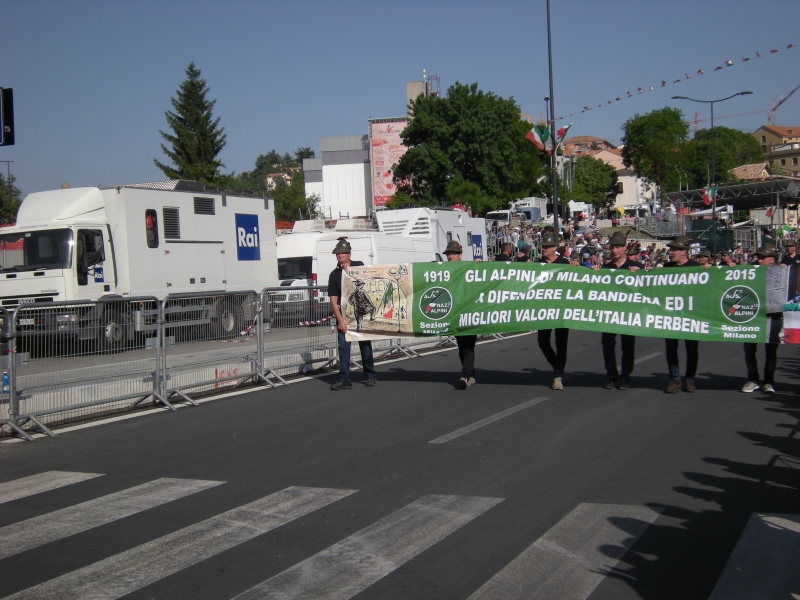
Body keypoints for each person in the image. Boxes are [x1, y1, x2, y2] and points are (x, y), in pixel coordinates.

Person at [595, 232, 642, 390]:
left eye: (618, 247)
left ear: (625, 248)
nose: (615, 250)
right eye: (613, 247)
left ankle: (625, 376)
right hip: (609, 314)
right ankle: (611, 375)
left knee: (627, 346)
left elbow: (648, 287)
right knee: (607, 345)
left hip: (628, 314)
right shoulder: (606, 268)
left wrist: (639, 274)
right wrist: (595, 272)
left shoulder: (635, 266)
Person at [328, 238, 377, 390]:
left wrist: (350, 271)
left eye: (343, 253)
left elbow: (368, 281)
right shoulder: (334, 275)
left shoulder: (359, 266)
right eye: (338, 253)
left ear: (349, 254)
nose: (340, 255)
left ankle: (370, 375)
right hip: (346, 316)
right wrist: (340, 321)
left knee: (365, 345)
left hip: (363, 312)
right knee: (343, 348)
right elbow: (333, 301)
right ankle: (344, 379)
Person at [659, 235, 703, 393]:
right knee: (671, 348)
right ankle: (675, 379)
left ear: (684, 251)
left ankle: (690, 379)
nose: (670, 252)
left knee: (691, 349)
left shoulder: (696, 267)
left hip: (691, 315)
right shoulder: (667, 267)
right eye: (670, 249)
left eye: (674, 249)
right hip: (672, 315)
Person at [742, 245, 782, 393]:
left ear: (772, 260)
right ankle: (753, 379)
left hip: (773, 317)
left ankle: (768, 382)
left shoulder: (781, 273)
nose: (759, 260)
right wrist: (730, 265)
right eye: (758, 257)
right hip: (752, 316)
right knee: (749, 350)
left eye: (762, 258)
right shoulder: (750, 271)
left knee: (771, 351)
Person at [536, 232, 571, 390]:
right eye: (543, 246)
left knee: (561, 343)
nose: (544, 248)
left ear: (555, 247)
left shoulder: (564, 263)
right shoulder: (538, 264)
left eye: (547, 246)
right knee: (543, 341)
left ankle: (557, 374)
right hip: (544, 309)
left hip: (561, 309)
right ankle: (558, 365)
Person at [444, 240, 479, 389]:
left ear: (460, 255)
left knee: (469, 346)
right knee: (461, 347)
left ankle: (465, 375)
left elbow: (484, 276)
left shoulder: (469, 268)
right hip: (455, 314)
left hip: (470, 312)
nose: (450, 256)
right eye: (448, 254)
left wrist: (479, 265)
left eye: (453, 253)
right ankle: (470, 373)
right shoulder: (443, 270)